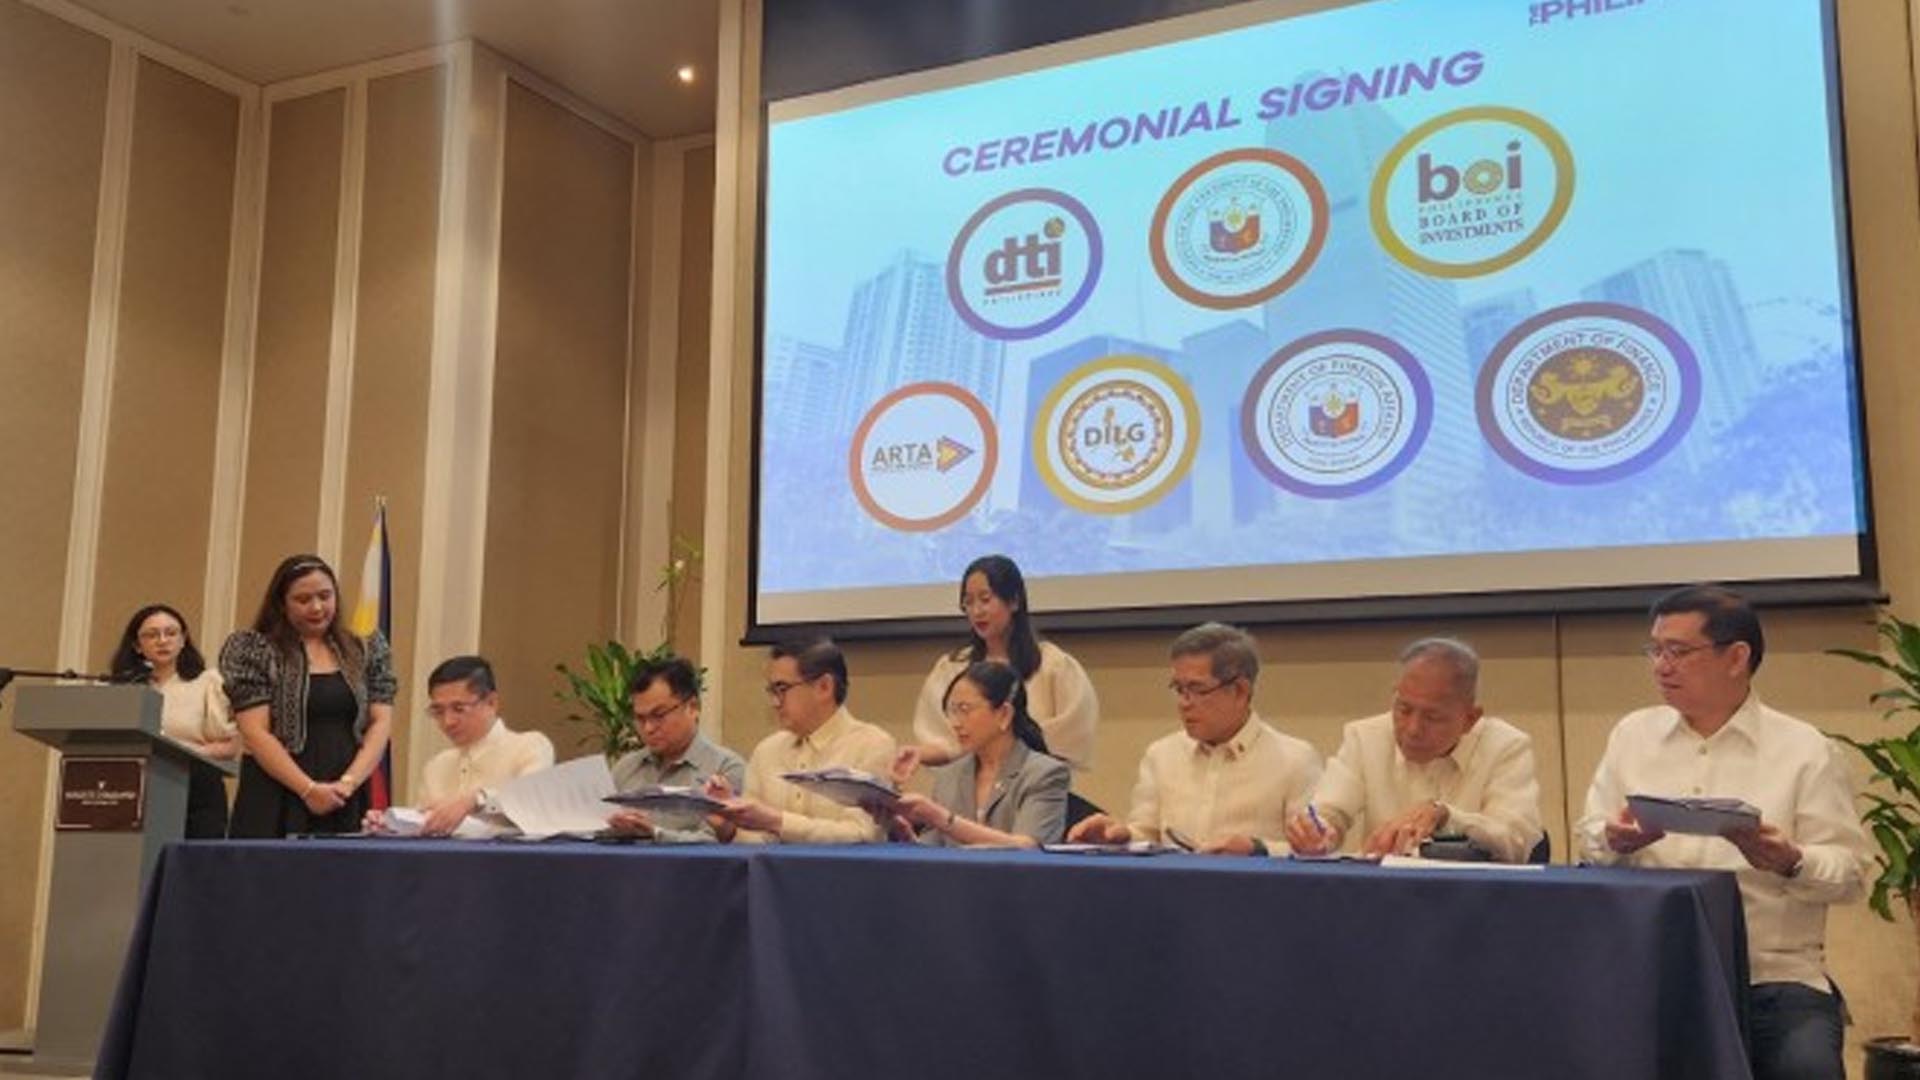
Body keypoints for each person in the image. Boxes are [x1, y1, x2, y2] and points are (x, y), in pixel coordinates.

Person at [1579, 585, 1871, 1080]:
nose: (1661, 666)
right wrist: (1614, 840)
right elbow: (1591, 836)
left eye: (1678, 651)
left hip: (1771, 977)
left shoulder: (1804, 749)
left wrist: (1791, 860)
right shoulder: (1633, 735)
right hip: (1654, 969)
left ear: (1736, 658)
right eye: (1655, 650)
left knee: (1808, 1068)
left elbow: (1850, 874)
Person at [1068, 622, 1319, 855]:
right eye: (1179, 689)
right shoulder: (1162, 755)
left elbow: (1316, 852)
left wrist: (1257, 849)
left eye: (1197, 689)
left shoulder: (1295, 760)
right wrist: (1118, 837)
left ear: (1240, 691)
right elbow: (1147, 836)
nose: (1183, 703)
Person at [1286, 638, 1544, 861]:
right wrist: (1316, 832)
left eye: (1432, 717)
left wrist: (1446, 816)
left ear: (1470, 719)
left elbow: (1518, 839)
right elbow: (1329, 811)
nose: (1412, 729)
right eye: (1404, 709)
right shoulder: (1365, 738)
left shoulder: (1506, 747)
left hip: (1473, 896)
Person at [221, 554, 396, 838]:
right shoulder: (255, 650)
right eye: (303, 600)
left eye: (325, 596)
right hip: (275, 789)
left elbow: (380, 722)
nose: (316, 607)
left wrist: (348, 784)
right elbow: (254, 733)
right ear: (281, 604)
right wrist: (308, 789)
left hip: (345, 792)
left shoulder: (365, 648)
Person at [907, 555, 1099, 771]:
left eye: (985, 599)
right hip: (970, 784)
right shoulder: (952, 668)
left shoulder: (1053, 665)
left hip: (1036, 783)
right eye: (969, 602)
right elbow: (944, 742)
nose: (977, 611)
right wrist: (917, 753)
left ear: (1014, 601)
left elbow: (1071, 737)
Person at [707, 637, 895, 843]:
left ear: (824, 687)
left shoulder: (872, 745)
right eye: (772, 691)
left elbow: (863, 834)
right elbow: (757, 844)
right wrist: (728, 828)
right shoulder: (767, 750)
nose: (775, 702)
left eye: (782, 689)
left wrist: (778, 821)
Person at [884, 661, 1069, 848]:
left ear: (1004, 714)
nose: (956, 723)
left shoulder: (1045, 774)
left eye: (965, 710)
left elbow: (1027, 847)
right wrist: (907, 837)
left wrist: (942, 818)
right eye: (952, 711)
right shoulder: (949, 776)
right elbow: (934, 852)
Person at [366, 656, 553, 837]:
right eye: (438, 711)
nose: (448, 721)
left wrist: (476, 800)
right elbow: (425, 824)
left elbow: (530, 803)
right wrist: (392, 826)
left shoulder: (530, 746)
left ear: (492, 702)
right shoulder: (437, 765)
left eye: (459, 709)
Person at [108, 604, 237, 839]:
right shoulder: (125, 688)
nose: (162, 641)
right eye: (151, 635)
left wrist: (181, 752)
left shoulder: (207, 683)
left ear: (183, 639)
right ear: (137, 645)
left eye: (171, 633)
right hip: (133, 788)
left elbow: (231, 747)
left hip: (195, 788)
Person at [606, 653, 745, 842]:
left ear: (693, 708)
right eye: (640, 718)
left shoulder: (726, 768)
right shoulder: (626, 768)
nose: (648, 728)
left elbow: (716, 841)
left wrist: (654, 833)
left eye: (659, 715)